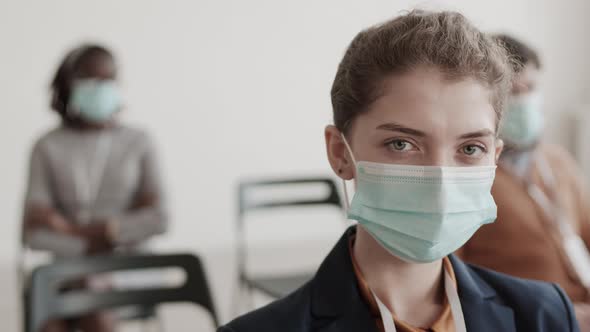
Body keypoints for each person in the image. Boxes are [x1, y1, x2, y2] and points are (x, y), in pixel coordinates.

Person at [218, 10, 579, 332]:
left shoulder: (545, 315)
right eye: (401, 144)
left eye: (470, 148)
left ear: (494, 156)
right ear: (339, 152)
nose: (440, 178)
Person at [22, 44, 168, 332]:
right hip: (65, 271)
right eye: (91, 80)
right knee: (51, 311)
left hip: (129, 268)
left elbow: (160, 218)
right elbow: (34, 232)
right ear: (70, 85)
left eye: (108, 80)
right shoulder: (47, 147)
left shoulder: (139, 142)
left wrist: (66, 227)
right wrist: (105, 235)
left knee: (90, 294)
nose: (101, 88)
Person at [457, 34, 590, 331]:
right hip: (532, 320)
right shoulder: (471, 178)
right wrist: (559, 316)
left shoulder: (558, 161)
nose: (524, 100)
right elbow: (454, 283)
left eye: (530, 88)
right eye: (512, 92)